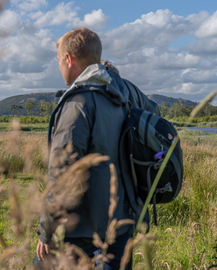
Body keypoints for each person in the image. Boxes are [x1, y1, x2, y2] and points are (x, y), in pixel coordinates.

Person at [34, 28, 149, 270]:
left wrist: (47, 231)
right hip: (123, 221)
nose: (59, 67)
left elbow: (61, 174)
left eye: (58, 61)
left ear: (69, 59)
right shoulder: (122, 95)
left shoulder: (78, 103)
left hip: (83, 230)